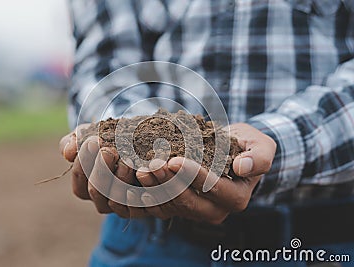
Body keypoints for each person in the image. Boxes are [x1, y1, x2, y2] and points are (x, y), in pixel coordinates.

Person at [59, 0, 354, 266]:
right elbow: (104, 60)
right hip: (148, 244)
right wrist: (126, 140)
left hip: (319, 242)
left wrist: (275, 143)